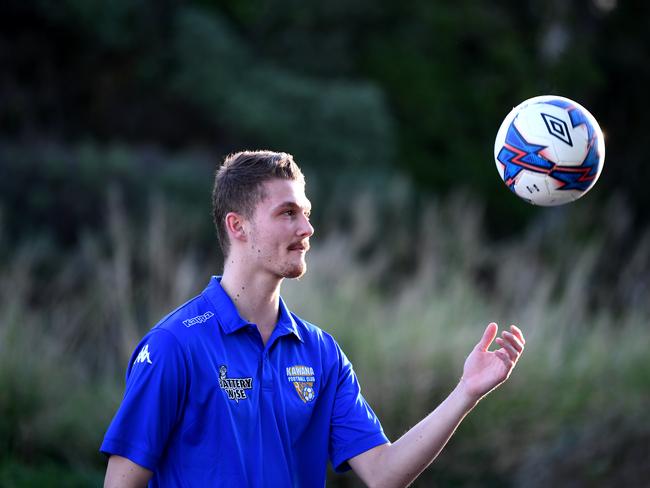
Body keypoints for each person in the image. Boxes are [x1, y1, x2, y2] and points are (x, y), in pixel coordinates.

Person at [101, 150, 525, 487]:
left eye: (305, 212)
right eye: (288, 213)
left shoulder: (321, 353)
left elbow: (383, 472)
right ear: (238, 226)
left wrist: (465, 392)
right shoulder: (175, 345)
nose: (307, 228)